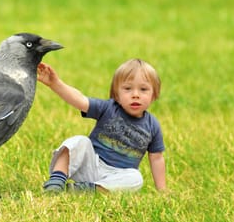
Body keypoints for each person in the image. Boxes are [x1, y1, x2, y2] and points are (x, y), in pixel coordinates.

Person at [37, 58, 166, 193]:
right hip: (91, 165)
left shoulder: (153, 126)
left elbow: (156, 158)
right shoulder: (108, 108)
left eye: (143, 89)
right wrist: (55, 83)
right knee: (79, 141)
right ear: (117, 94)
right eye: (128, 89)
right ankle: (56, 181)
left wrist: (162, 190)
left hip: (117, 176)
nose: (135, 95)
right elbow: (80, 100)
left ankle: (87, 189)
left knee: (136, 178)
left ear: (154, 95)